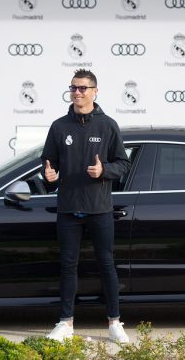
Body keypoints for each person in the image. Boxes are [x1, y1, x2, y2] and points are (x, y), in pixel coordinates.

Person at [41, 69, 131, 343]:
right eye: (73, 88)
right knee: (68, 266)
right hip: (68, 208)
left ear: (95, 91)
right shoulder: (59, 126)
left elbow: (123, 164)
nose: (77, 92)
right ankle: (65, 323)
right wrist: (49, 176)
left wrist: (104, 171)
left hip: (99, 208)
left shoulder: (108, 125)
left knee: (106, 264)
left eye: (82, 88)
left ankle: (114, 323)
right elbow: (49, 164)